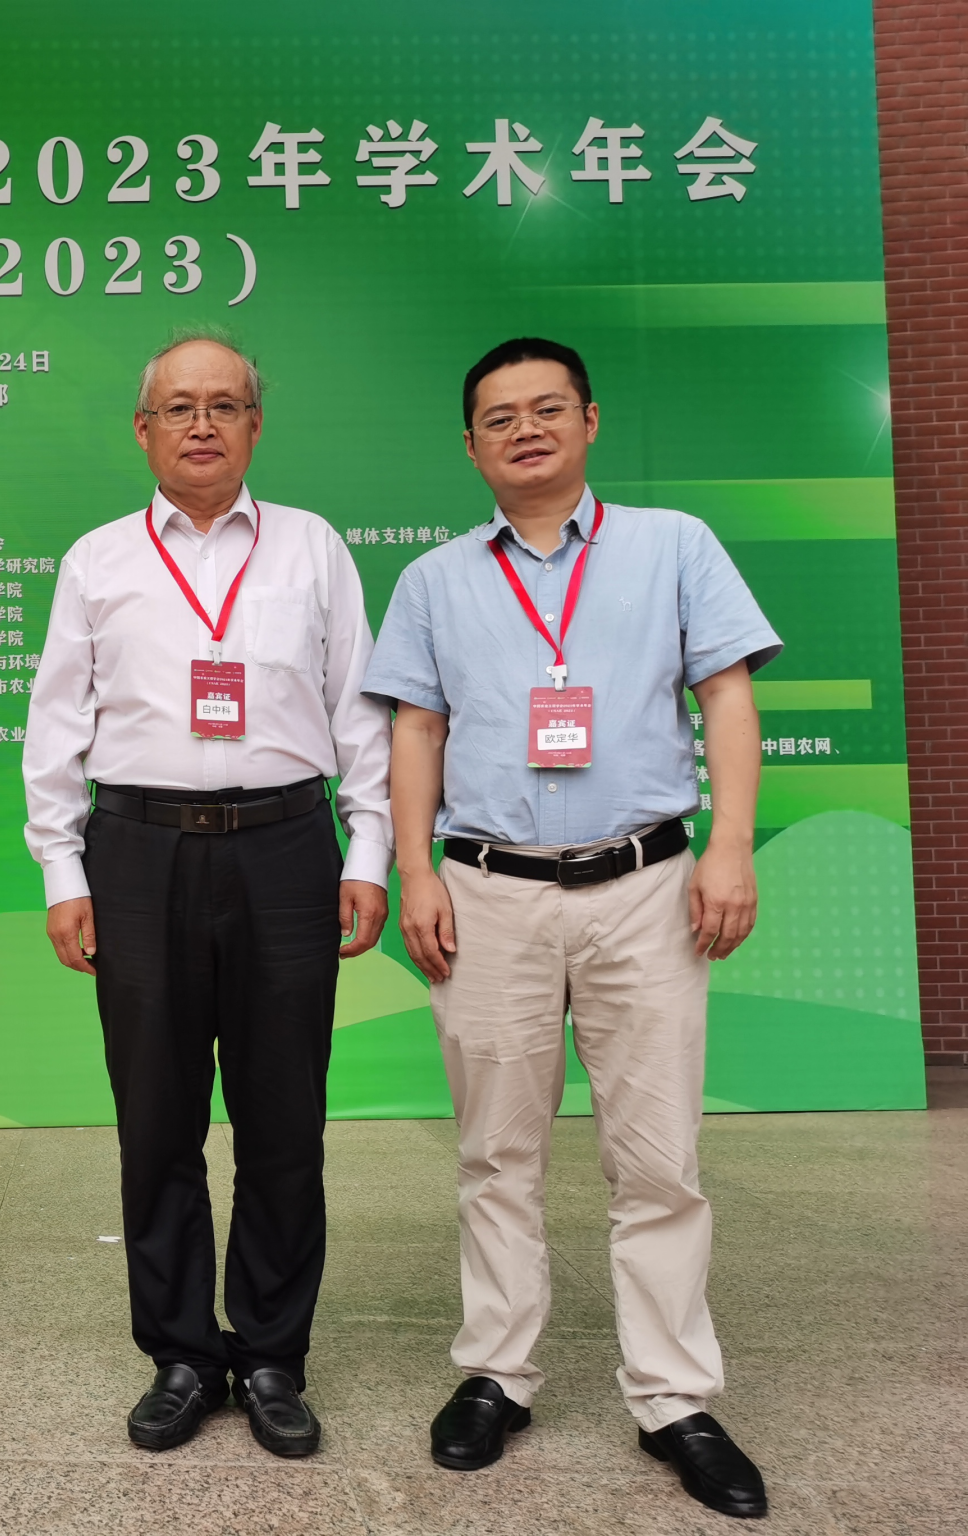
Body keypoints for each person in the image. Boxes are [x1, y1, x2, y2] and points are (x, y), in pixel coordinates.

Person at [360, 337, 779, 1520]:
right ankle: (496, 1374)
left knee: (657, 1159)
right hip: (485, 891)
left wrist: (729, 847)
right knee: (496, 1152)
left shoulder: (672, 545)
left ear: (588, 421)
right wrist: (413, 871)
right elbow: (413, 732)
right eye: (498, 418)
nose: (524, 430)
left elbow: (725, 696)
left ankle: (673, 1396)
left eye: (546, 408)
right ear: (469, 447)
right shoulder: (433, 580)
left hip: (643, 886)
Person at [23, 330, 393, 1457]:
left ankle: (273, 1355)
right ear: (143, 431)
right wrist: (62, 868)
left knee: (284, 1120)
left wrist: (367, 851)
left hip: (286, 849)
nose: (200, 424)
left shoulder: (312, 546)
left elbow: (357, 709)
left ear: (254, 426)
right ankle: (181, 1354)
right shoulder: (97, 560)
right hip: (138, 853)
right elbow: (56, 722)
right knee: (157, 1121)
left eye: (223, 404)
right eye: (178, 406)